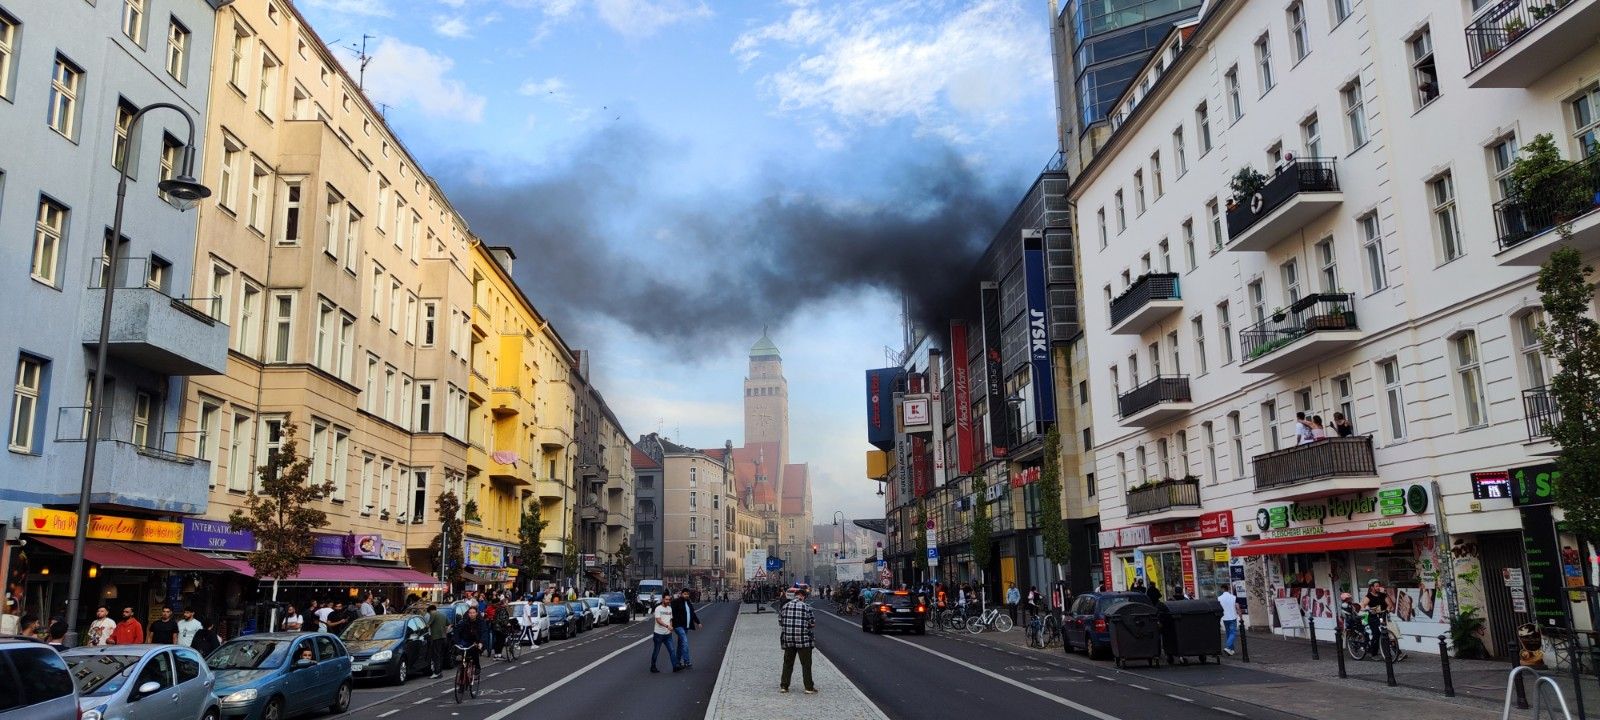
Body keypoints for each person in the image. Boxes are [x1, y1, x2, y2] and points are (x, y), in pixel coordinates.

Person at [778, 586, 817, 694]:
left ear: (795, 596)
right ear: (803, 597)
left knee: (787, 663)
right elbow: (812, 623)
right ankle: (808, 687)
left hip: (788, 639)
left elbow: (780, 622)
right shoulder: (806, 607)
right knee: (806, 664)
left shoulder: (785, 606)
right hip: (803, 640)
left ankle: (784, 686)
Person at [452, 606, 487, 677]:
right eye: (470, 613)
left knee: (474, 653)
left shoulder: (481, 622)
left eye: (473, 613)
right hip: (466, 641)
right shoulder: (464, 621)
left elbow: (484, 632)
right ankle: (462, 677)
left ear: (476, 613)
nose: (472, 614)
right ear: (468, 614)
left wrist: (481, 642)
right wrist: (457, 642)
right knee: (463, 656)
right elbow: (457, 630)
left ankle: (477, 667)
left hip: (476, 641)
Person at [671, 588, 701, 670]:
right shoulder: (676, 602)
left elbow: (693, 613)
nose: (686, 595)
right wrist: (672, 623)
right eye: (685, 594)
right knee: (685, 641)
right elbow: (671, 612)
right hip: (678, 626)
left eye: (687, 594)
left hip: (686, 626)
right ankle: (687, 661)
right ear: (681, 594)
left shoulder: (688, 602)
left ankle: (677, 662)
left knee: (681, 644)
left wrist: (698, 622)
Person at [649, 594, 675, 673]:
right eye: (666, 599)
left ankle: (675, 666)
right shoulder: (658, 608)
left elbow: (671, 619)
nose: (668, 601)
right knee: (656, 651)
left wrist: (670, 627)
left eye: (669, 600)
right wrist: (667, 626)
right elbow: (658, 620)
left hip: (668, 634)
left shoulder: (670, 608)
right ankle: (653, 666)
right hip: (658, 634)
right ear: (663, 599)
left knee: (672, 650)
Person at [426, 604, 449, 678]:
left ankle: (436, 672)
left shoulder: (433, 614)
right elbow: (449, 624)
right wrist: (445, 631)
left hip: (436, 637)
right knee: (441, 655)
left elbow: (428, 625)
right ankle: (440, 672)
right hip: (444, 637)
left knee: (436, 656)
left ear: (430, 611)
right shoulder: (443, 614)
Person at [1218, 586, 1239, 656]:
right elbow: (1237, 607)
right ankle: (1228, 646)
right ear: (1228, 589)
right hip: (1232, 617)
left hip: (1225, 618)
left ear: (1222, 589)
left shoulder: (1219, 598)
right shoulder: (1233, 597)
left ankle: (1231, 649)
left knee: (1228, 633)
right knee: (1233, 633)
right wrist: (1240, 616)